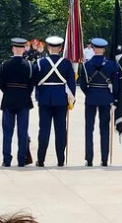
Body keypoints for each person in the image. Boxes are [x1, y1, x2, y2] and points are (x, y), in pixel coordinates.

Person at [32, 36, 76, 167]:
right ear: (60, 48)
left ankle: (41, 159)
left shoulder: (40, 63)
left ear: (47, 47)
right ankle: (61, 160)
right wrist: (71, 101)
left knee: (44, 130)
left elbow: (35, 81)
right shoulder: (66, 64)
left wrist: (38, 96)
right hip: (61, 99)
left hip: (45, 99)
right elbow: (71, 85)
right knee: (61, 130)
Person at [80, 38, 119, 166]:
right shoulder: (111, 65)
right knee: (104, 129)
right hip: (105, 97)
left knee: (89, 129)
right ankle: (104, 159)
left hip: (91, 97)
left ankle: (89, 159)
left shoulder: (86, 65)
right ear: (104, 49)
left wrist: (90, 93)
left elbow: (83, 85)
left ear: (93, 49)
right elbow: (116, 85)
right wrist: (113, 97)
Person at [0, 38, 34, 167]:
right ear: (23, 50)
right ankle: (21, 159)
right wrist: (24, 93)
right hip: (24, 99)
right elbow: (31, 84)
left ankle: (6, 159)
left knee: (7, 132)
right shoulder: (29, 65)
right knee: (22, 131)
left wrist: (9, 92)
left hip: (8, 99)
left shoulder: (5, 64)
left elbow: (0, 83)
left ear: (13, 49)